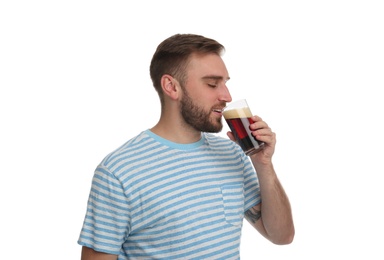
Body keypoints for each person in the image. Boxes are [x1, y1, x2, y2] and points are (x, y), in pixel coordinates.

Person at [78, 33, 295, 259]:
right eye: (212, 84)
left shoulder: (232, 153)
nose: (227, 96)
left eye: (225, 83)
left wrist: (264, 164)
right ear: (171, 87)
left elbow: (281, 236)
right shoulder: (118, 172)